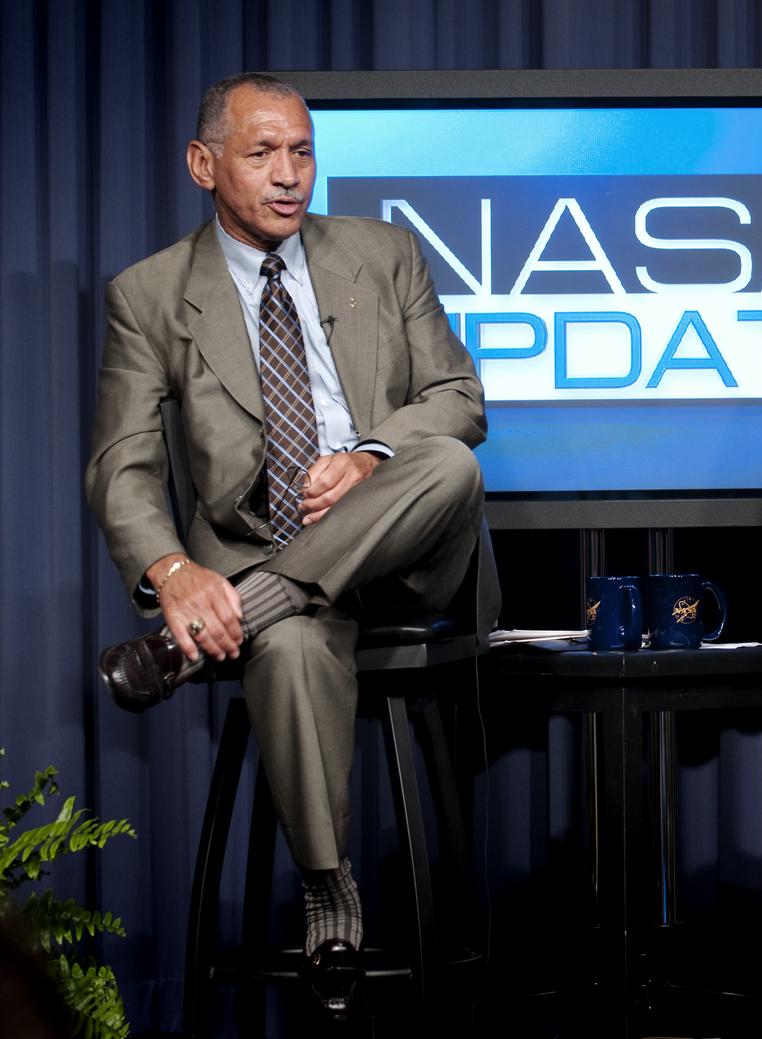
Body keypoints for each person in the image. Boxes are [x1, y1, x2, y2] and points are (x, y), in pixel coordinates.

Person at [85, 72, 492, 1016]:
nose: (288, 175)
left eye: (302, 152)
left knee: (450, 466)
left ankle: (253, 602)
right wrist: (173, 570)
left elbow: (459, 401)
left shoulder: (384, 255)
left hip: (402, 555)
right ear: (203, 164)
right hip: (250, 565)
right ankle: (327, 887)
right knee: (295, 639)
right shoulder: (148, 296)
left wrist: (369, 456)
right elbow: (123, 464)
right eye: (262, 153)